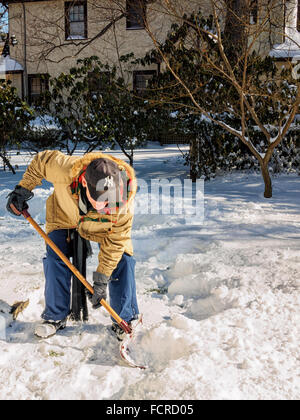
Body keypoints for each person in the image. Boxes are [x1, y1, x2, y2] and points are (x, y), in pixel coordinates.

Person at [6, 150, 139, 340]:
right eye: (102, 201)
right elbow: (40, 161)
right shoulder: (65, 169)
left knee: (123, 259)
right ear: (84, 182)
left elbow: (116, 242)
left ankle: (124, 320)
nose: (108, 206)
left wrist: (101, 280)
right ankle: (55, 317)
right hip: (64, 216)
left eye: (112, 200)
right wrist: (23, 189)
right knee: (55, 258)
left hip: (105, 229)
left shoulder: (123, 202)